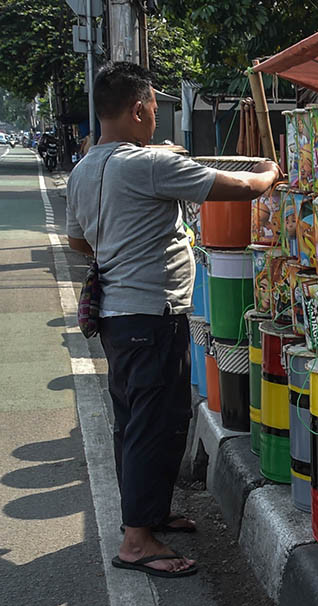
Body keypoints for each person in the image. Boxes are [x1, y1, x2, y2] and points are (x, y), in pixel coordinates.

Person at [65, 62, 282, 578]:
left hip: (121, 317)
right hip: (149, 315)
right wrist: (272, 169)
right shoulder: (146, 166)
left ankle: (150, 515)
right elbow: (244, 188)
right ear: (138, 109)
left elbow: (78, 242)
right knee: (152, 426)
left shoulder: (85, 168)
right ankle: (137, 541)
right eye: (154, 109)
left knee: (142, 422)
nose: (156, 120)